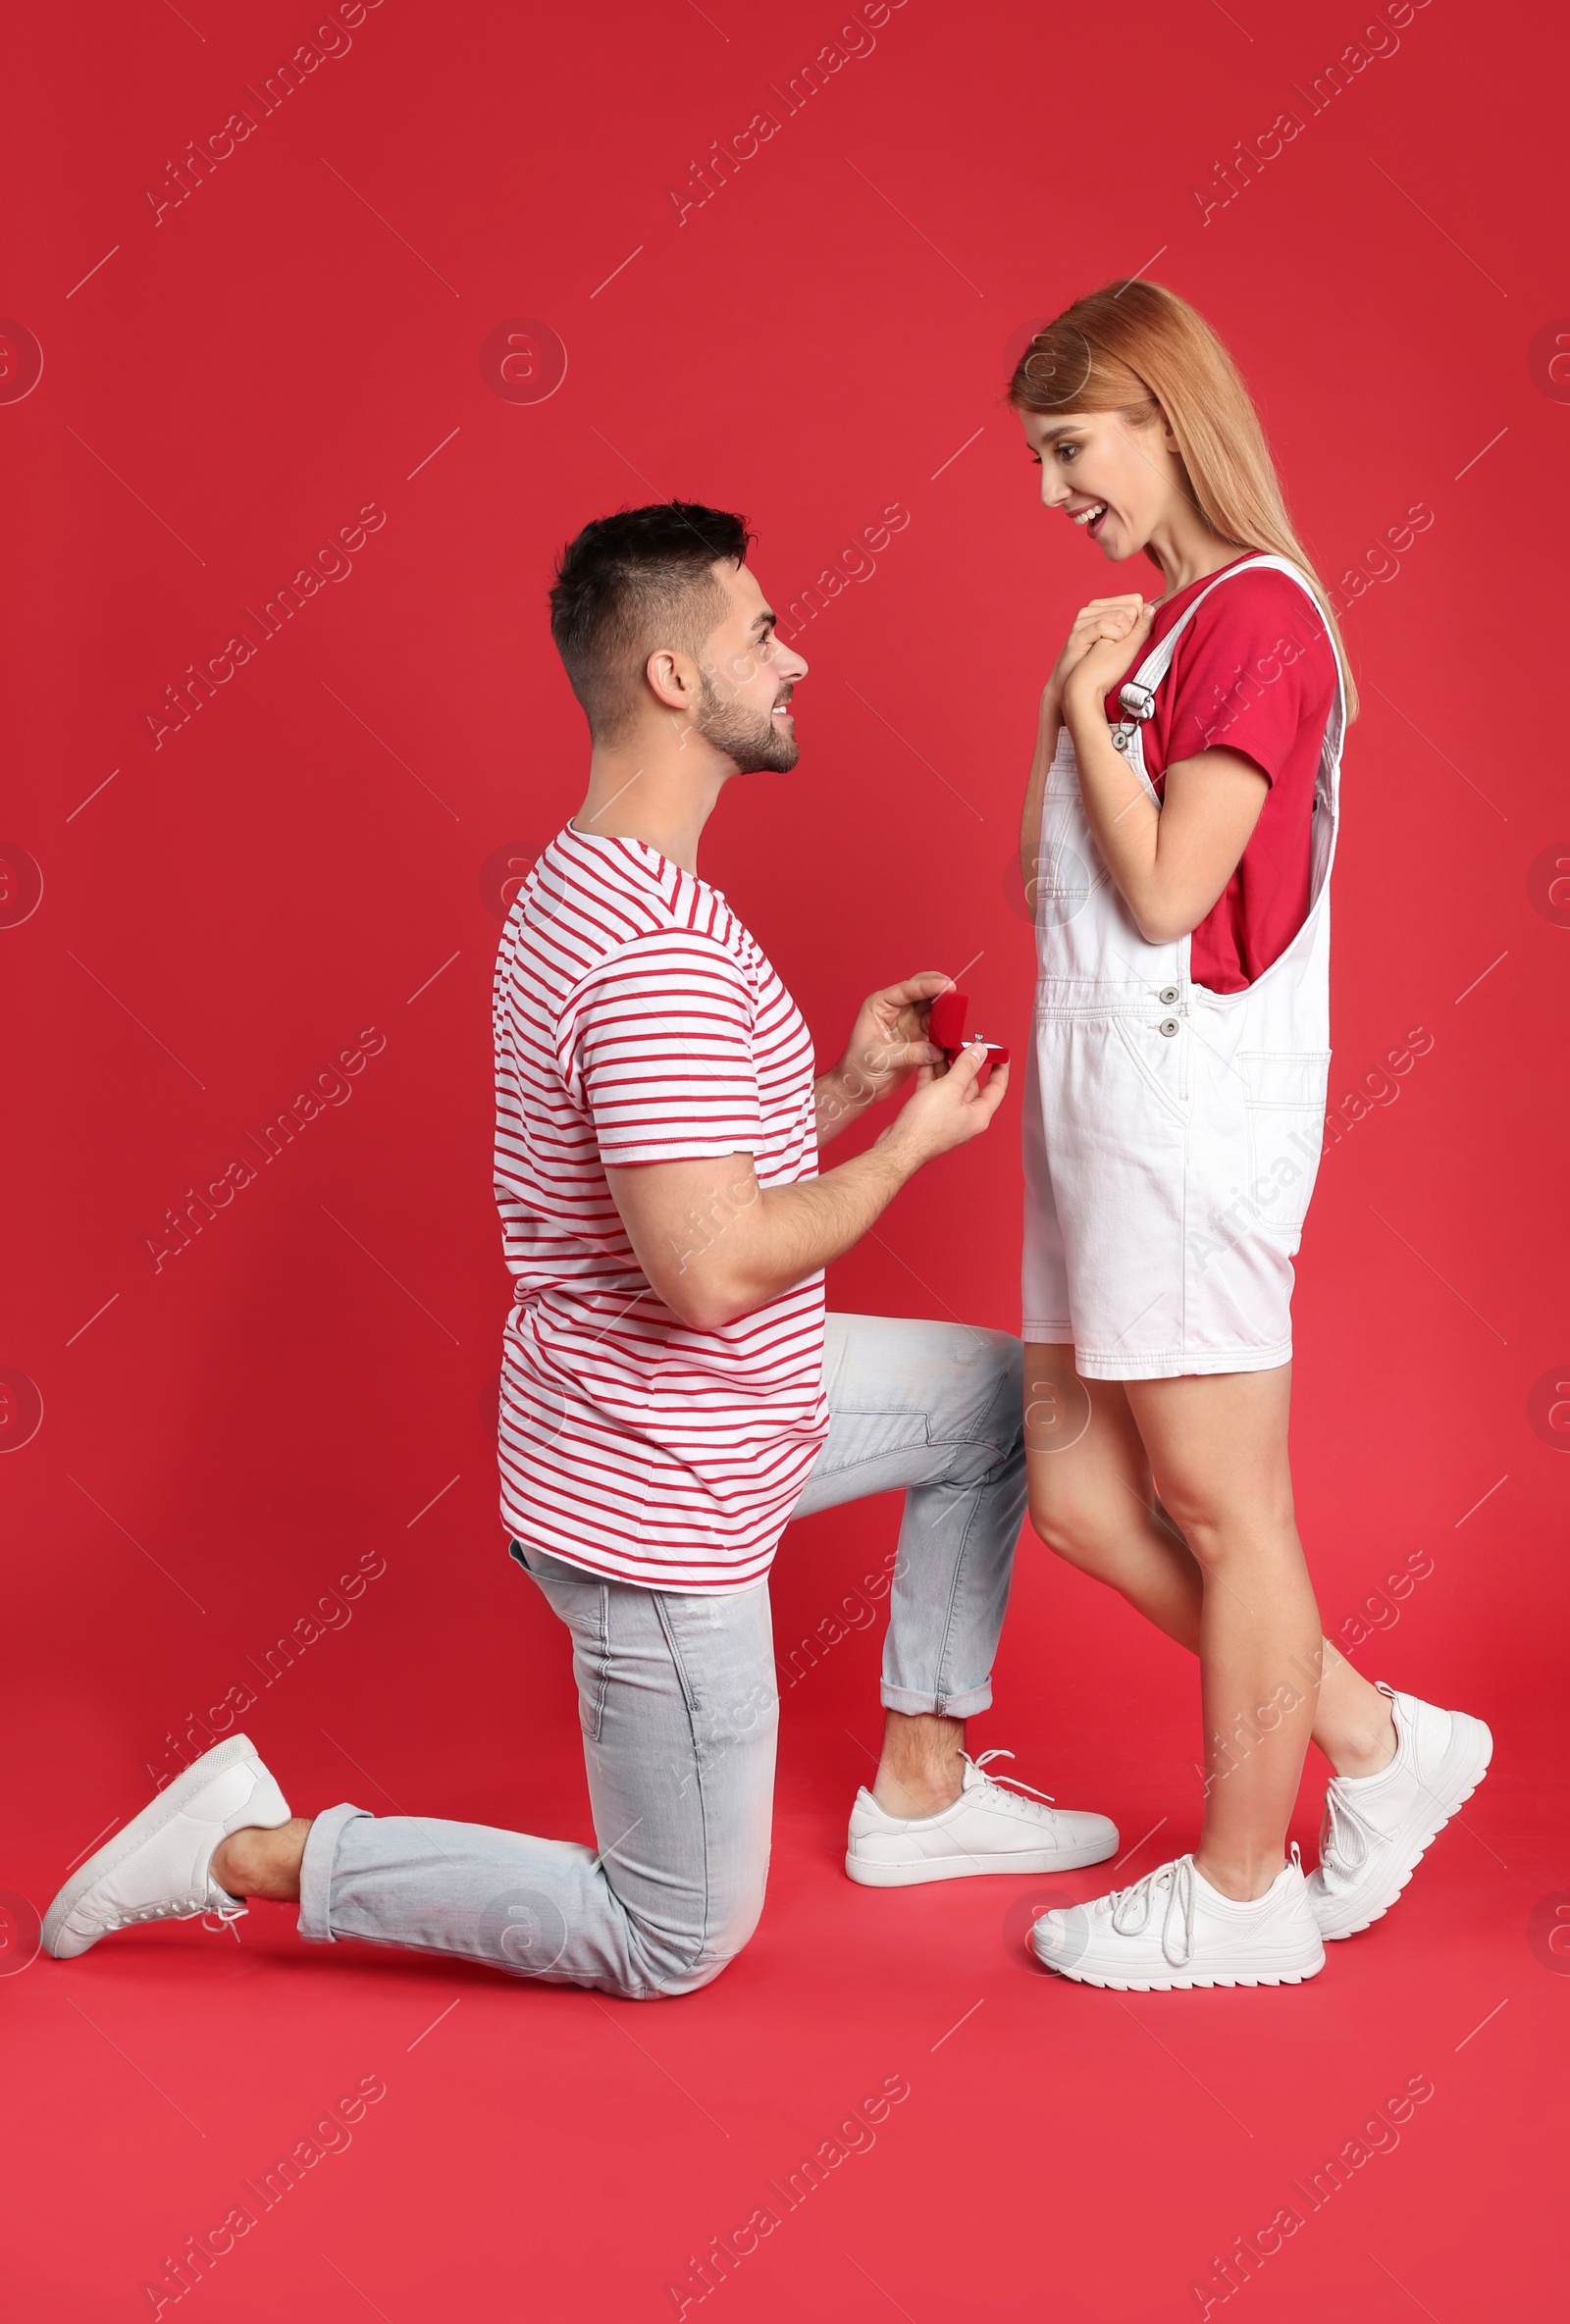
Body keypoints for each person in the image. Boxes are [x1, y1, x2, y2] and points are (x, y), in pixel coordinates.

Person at [41, 500, 1117, 1998]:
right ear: (676, 677)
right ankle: (249, 1849)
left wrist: (843, 1088)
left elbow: (669, 1180)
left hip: (725, 1408)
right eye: (760, 631)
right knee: (672, 1936)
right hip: (661, 1486)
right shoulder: (649, 951)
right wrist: (907, 1151)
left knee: (997, 1403)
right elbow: (710, 1266)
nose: (795, 658)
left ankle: (922, 1788)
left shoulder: (597, 881)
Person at [1010, 283, 1491, 1991]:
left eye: (1073, 447)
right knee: (1075, 1496)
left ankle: (1237, 1893)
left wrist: (1078, 708)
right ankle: (1374, 1741)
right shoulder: (1165, 622)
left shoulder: (1256, 625)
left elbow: (1167, 888)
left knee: (1225, 1508)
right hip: (1093, 1121)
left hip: (1185, 1113)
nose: (1056, 489)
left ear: (1162, 412)